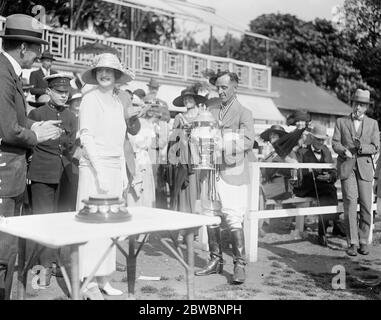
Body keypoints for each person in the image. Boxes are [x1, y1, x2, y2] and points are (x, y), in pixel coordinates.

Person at [0, 13, 62, 300]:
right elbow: (8, 129)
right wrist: (36, 135)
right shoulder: (2, 71)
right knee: (3, 251)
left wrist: (34, 126)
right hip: (4, 173)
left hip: (11, 172)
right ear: (23, 48)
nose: (39, 55)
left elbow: (13, 120)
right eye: (37, 49)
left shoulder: (9, 71)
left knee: (8, 249)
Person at [76, 53, 134, 299]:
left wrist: (121, 172)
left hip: (113, 166)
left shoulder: (118, 102)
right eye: (100, 70)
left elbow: (120, 140)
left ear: (118, 75)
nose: (104, 74)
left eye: (110, 71)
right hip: (92, 167)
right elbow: (86, 136)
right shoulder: (90, 99)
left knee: (110, 224)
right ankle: (86, 283)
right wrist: (99, 170)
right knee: (91, 223)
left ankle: (103, 278)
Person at [195, 71, 255, 284]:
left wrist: (223, 146)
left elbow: (248, 141)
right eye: (217, 87)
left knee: (233, 217)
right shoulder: (211, 111)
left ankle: (239, 264)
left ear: (235, 87)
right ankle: (215, 260)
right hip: (210, 171)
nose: (220, 91)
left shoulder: (244, 113)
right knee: (210, 214)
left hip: (233, 171)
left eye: (224, 87)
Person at [27, 74, 77, 284]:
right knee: (43, 220)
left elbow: (71, 146)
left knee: (60, 220)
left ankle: (56, 262)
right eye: (59, 92)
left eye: (66, 92)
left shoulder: (72, 117)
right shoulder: (37, 114)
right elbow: (29, 143)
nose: (64, 96)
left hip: (64, 174)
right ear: (48, 92)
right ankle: (41, 269)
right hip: (42, 173)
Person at [332, 89, 379, 256]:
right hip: (347, 167)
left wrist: (361, 148)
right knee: (351, 203)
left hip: (365, 168)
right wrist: (343, 151)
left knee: (366, 205)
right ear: (352, 104)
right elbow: (335, 143)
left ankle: (363, 240)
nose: (358, 107)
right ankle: (352, 242)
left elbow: (375, 147)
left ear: (366, 107)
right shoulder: (341, 122)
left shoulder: (373, 124)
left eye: (362, 105)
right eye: (356, 103)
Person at [296, 124, 345, 247]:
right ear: (312, 138)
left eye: (322, 139)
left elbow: (333, 169)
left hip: (324, 185)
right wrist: (317, 176)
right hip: (307, 185)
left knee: (329, 192)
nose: (320, 142)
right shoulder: (302, 151)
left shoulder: (326, 151)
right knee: (329, 191)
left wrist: (330, 177)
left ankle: (323, 232)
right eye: (318, 139)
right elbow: (300, 172)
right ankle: (334, 224)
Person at [168, 86, 206, 213]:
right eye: (184, 99)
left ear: (195, 99)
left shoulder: (203, 115)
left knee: (198, 188)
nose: (186, 101)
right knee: (184, 187)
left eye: (189, 98)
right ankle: (184, 223)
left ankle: (196, 225)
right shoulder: (179, 117)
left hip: (199, 155)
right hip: (184, 156)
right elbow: (173, 139)